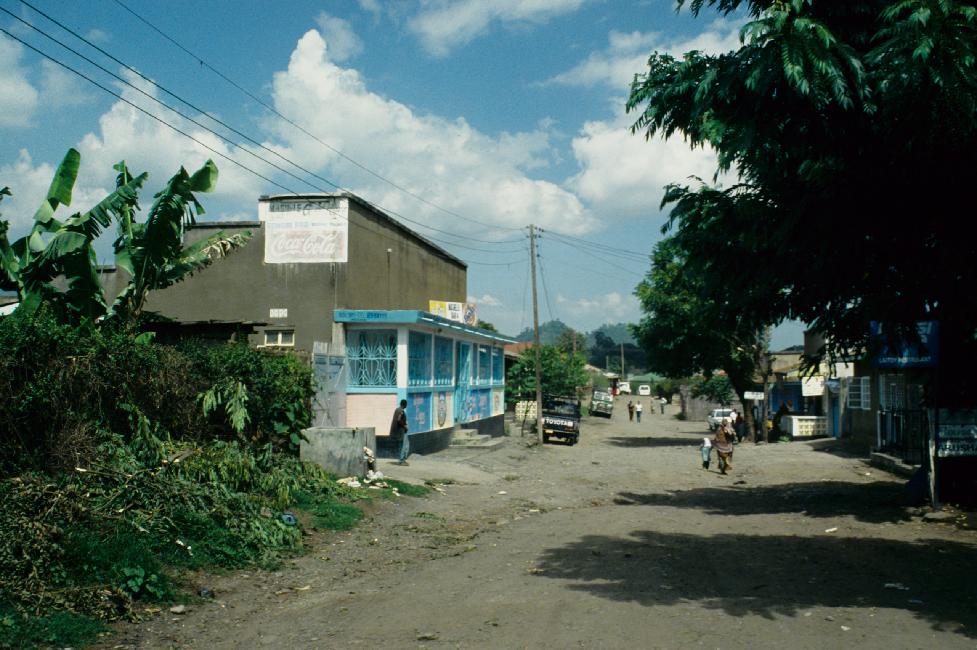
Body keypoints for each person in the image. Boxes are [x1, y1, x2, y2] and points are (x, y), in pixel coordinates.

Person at [390, 399, 409, 465]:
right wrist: (405, 426)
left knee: (401, 446)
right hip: (401, 432)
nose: (407, 405)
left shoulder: (397, 410)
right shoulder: (401, 411)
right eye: (406, 404)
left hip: (397, 432)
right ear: (405, 404)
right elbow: (399, 419)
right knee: (404, 446)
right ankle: (402, 460)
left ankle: (401, 460)